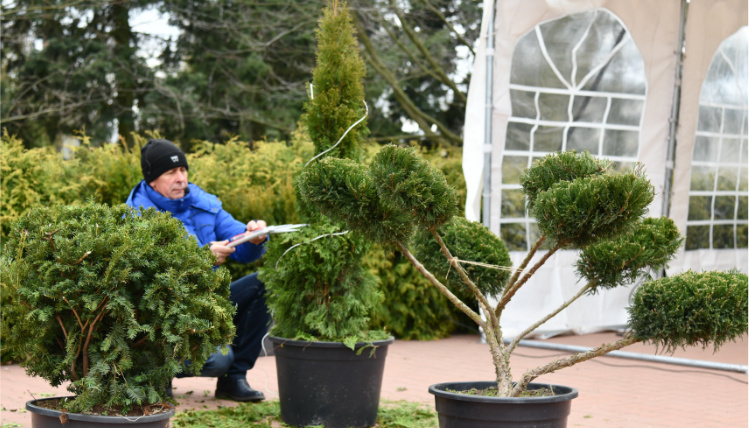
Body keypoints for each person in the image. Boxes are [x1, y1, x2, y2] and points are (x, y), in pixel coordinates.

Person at [126, 138, 270, 402]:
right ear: (152, 181)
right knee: (216, 359)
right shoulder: (137, 214)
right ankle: (156, 373)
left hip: (207, 303)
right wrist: (201, 259)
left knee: (266, 283)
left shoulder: (202, 202)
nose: (180, 178)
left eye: (183, 170)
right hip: (164, 311)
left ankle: (234, 380)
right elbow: (145, 276)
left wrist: (254, 237)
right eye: (171, 173)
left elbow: (241, 245)